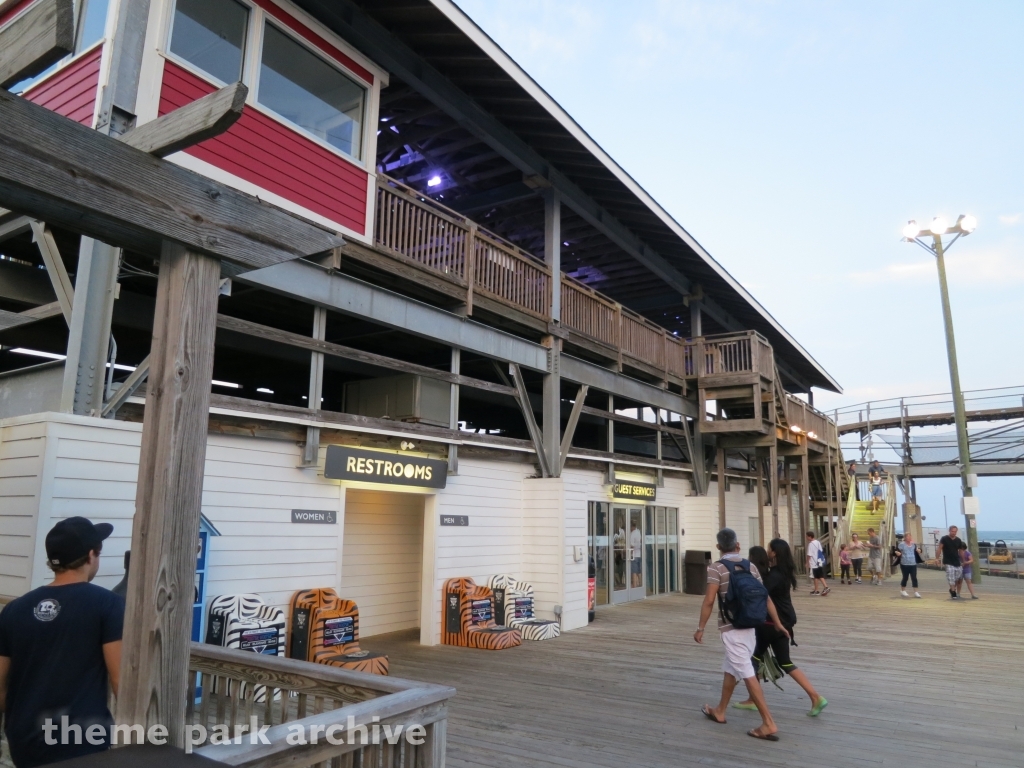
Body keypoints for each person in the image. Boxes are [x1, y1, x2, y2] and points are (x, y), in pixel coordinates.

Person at [0, 517, 124, 768]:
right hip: (81, 740)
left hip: (24, 739)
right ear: (91, 555)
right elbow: (121, 680)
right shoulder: (107, 605)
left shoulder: (14, 609)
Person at [695, 528, 789, 741]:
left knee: (746, 672)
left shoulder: (716, 568)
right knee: (732, 668)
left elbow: (709, 600)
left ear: (718, 547)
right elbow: (766, 598)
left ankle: (768, 722)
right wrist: (777, 622)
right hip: (751, 627)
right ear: (737, 545)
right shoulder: (751, 566)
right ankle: (720, 711)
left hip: (731, 629)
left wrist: (700, 628)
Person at [734, 539, 828, 717]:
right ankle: (815, 697)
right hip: (785, 622)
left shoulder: (773, 576)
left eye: (770, 549)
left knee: (753, 658)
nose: (768, 551)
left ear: (774, 552)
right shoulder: (783, 572)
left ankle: (753, 699)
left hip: (771, 624)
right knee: (784, 662)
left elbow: (759, 593)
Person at [937, 525, 965, 600]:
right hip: (948, 561)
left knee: (959, 577)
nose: (954, 533)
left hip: (956, 560)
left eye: (955, 531)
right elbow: (939, 548)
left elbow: (961, 551)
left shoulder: (958, 540)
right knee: (951, 577)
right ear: (949, 531)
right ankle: (953, 592)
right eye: (952, 531)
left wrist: (963, 560)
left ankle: (952, 589)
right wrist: (937, 558)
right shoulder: (944, 539)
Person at [896, 533, 922, 598]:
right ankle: (903, 590)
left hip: (913, 563)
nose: (909, 537)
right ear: (905, 537)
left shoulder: (913, 544)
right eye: (908, 536)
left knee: (914, 577)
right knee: (905, 577)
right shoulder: (902, 544)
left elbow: (918, 550)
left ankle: (916, 591)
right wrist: (897, 553)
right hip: (904, 563)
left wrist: (919, 550)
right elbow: (896, 551)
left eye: (910, 536)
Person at [805, 531, 829, 595]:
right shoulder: (818, 542)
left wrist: (807, 562)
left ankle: (825, 587)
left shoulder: (810, 544)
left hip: (813, 562)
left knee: (817, 576)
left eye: (807, 536)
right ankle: (816, 590)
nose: (806, 538)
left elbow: (809, 554)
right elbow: (820, 550)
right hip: (819, 561)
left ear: (810, 536)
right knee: (816, 576)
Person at [629, 521, 643, 588]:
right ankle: (640, 584)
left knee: (634, 571)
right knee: (638, 571)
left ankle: (634, 585)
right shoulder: (638, 532)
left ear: (632, 527)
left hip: (634, 554)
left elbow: (631, 545)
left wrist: (629, 553)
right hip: (639, 554)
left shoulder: (632, 534)